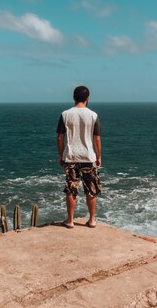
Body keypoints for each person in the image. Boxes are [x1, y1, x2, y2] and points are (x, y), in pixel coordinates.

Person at [56, 85, 102, 228]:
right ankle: (92, 220)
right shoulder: (93, 115)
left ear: (73, 98)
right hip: (88, 157)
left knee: (71, 189)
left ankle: (70, 221)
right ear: (88, 98)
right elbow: (97, 139)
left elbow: (60, 137)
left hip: (71, 156)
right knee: (91, 189)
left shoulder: (65, 114)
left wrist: (61, 155)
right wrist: (98, 156)